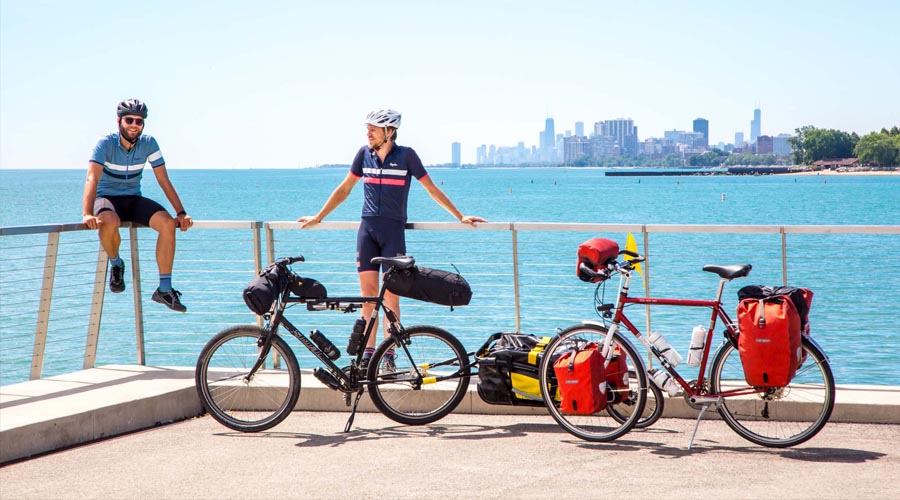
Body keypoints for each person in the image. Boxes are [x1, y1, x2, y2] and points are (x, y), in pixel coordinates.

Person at [297, 109, 486, 369]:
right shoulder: (363, 155)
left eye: (373, 128)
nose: (368, 133)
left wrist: (460, 215)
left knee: (391, 297)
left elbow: (431, 189)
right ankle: (367, 356)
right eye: (367, 128)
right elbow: (344, 189)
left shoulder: (407, 156)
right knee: (367, 297)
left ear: (389, 131)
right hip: (367, 232)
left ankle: (388, 356)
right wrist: (319, 216)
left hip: (393, 233)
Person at [81, 99, 192, 312]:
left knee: (168, 224)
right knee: (109, 222)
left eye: (139, 121)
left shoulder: (149, 143)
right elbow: (92, 178)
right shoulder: (105, 144)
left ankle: (164, 289)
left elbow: (163, 179)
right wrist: (87, 213)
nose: (134, 125)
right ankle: (116, 264)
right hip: (107, 199)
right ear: (119, 121)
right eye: (129, 120)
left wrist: (181, 212)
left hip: (133, 198)